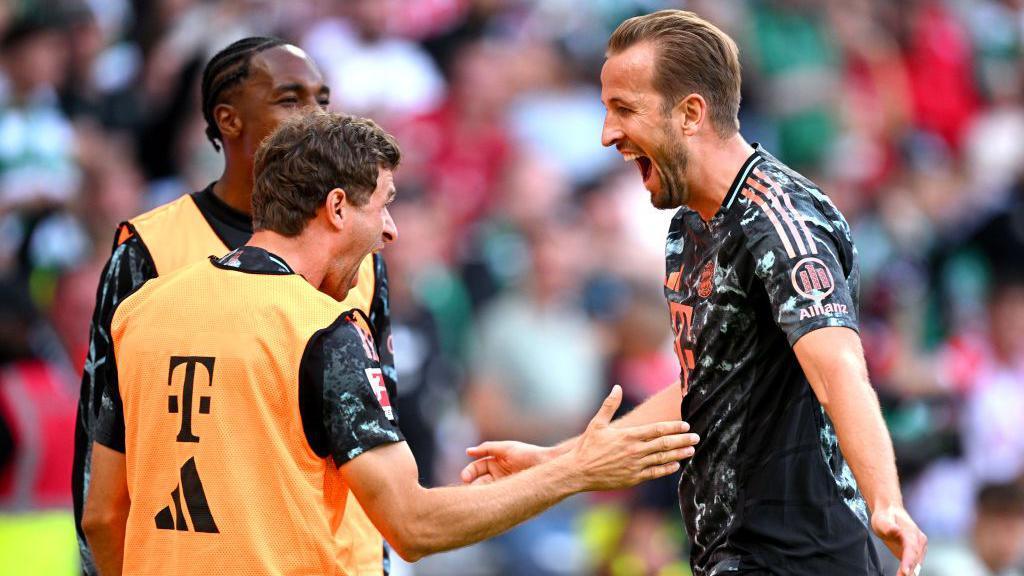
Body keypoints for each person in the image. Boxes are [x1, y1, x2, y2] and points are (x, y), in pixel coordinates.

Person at [80, 111, 700, 575]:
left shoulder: (142, 311)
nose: (393, 229)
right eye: (386, 205)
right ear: (337, 208)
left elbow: (104, 516)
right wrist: (575, 470)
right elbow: (412, 525)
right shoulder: (320, 331)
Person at [461, 10, 928, 576]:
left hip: (803, 560)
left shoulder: (779, 223)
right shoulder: (691, 227)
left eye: (623, 109)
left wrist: (886, 500)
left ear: (690, 114)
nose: (607, 134)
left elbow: (838, 368)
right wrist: (557, 461)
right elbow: (700, 393)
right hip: (727, 557)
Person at [71, 37, 395, 575]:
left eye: (323, 99)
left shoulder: (359, 244)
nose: (316, 117)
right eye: (291, 99)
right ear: (229, 120)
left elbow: (381, 431)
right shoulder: (149, 251)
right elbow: (102, 485)